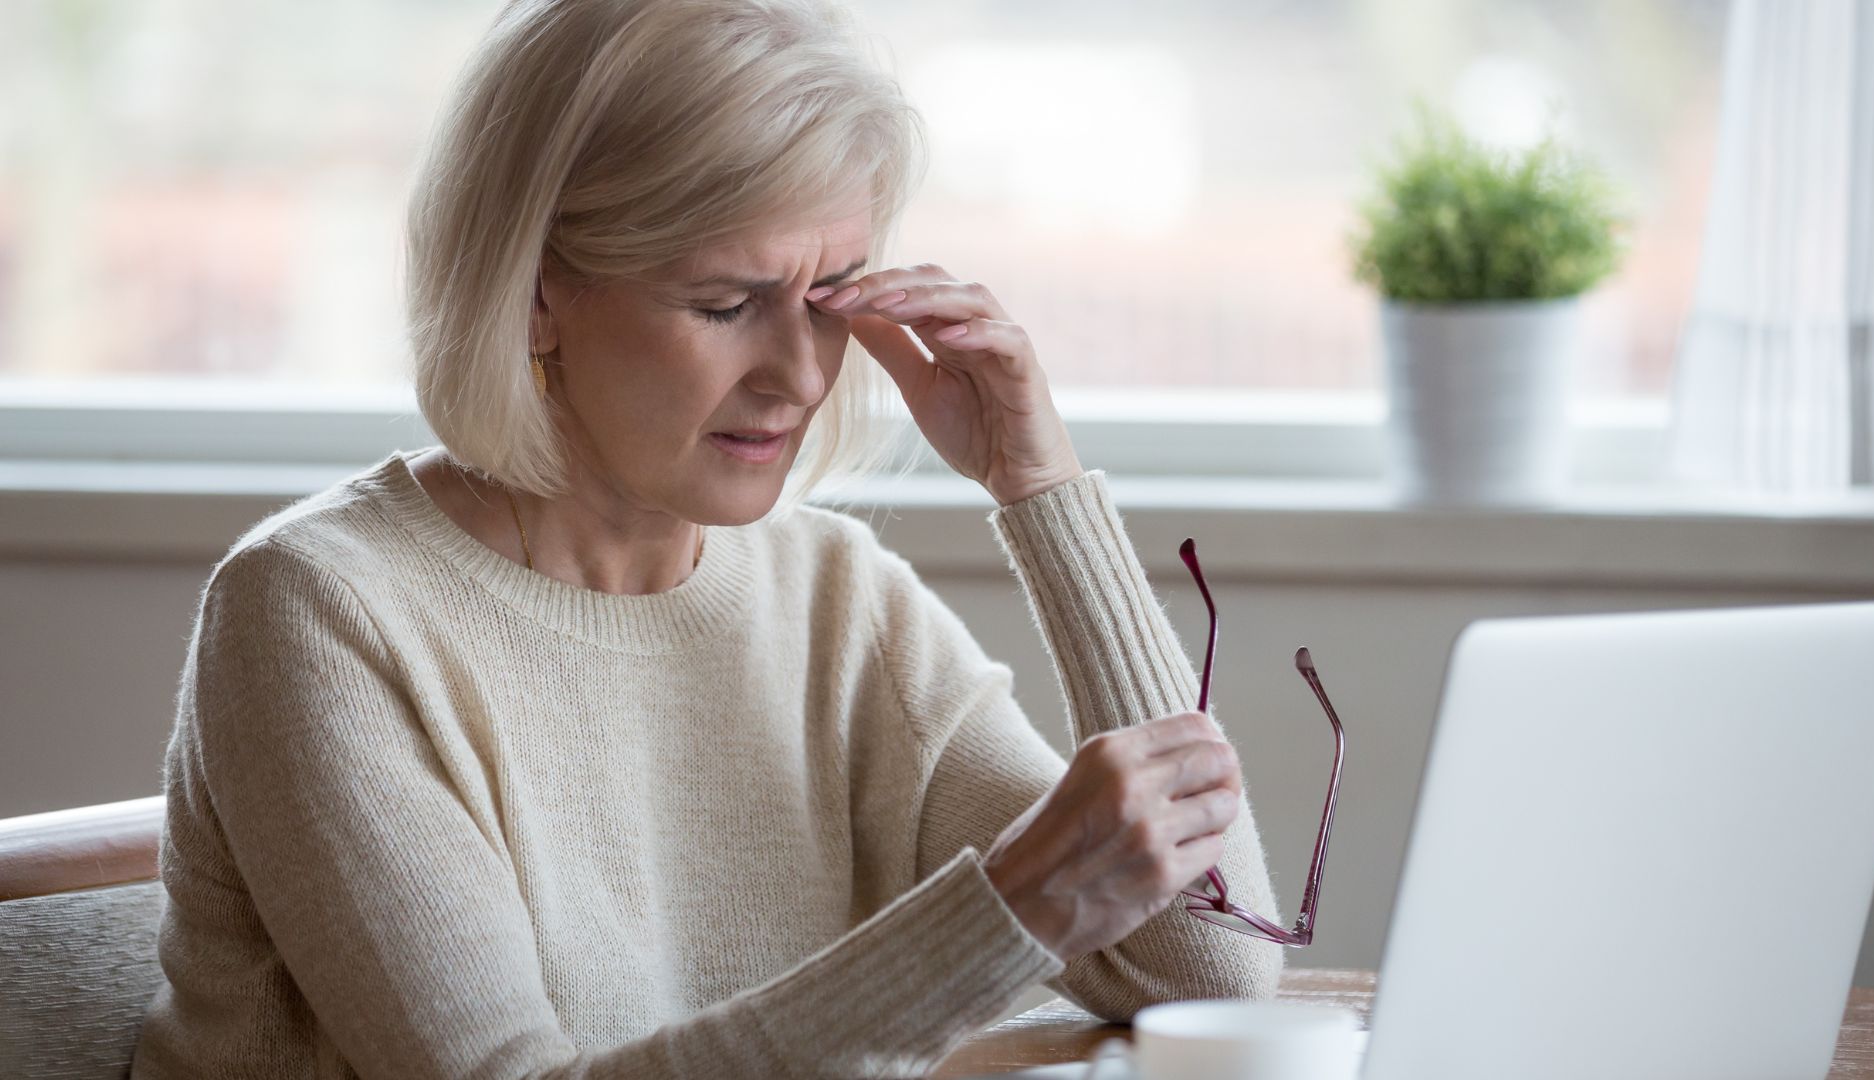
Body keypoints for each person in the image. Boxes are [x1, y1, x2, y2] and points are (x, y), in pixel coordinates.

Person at [131, 0, 1282, 1075]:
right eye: (726, 305)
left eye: (832, 297)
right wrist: (1008, 916)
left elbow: (1210, 964)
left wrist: (1042, 487)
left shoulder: (834, 597)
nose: (797, 375)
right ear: (534, 294)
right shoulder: (315, 612)